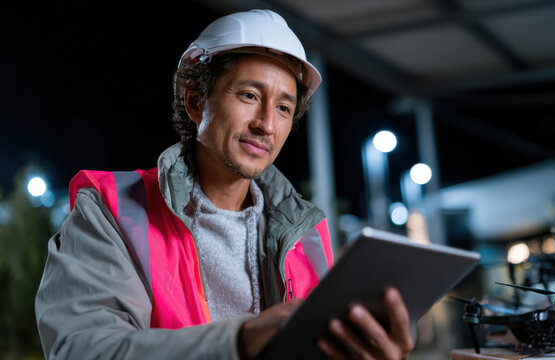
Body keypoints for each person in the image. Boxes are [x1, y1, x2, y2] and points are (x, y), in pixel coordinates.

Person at [35, 9, 414, 359]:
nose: (266, 123)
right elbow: (84, 349)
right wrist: (240, 341)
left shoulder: (307, 235)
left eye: (283, 108)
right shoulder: (112, 210)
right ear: (196, 101)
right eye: (249, 96)